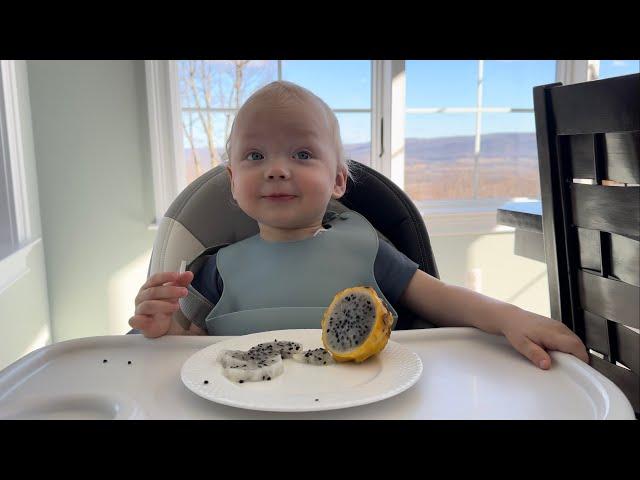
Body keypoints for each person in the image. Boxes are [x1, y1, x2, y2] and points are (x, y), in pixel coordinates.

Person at [129, 80, 589, 370]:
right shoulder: (215, 269)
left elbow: (444, 299)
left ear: (337, 180)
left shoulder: (368, 250)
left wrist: (511, 317)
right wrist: (164, 328)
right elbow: (194, 353)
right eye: (255, 155)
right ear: (233, 183)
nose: (276, 168)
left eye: (302, 154)